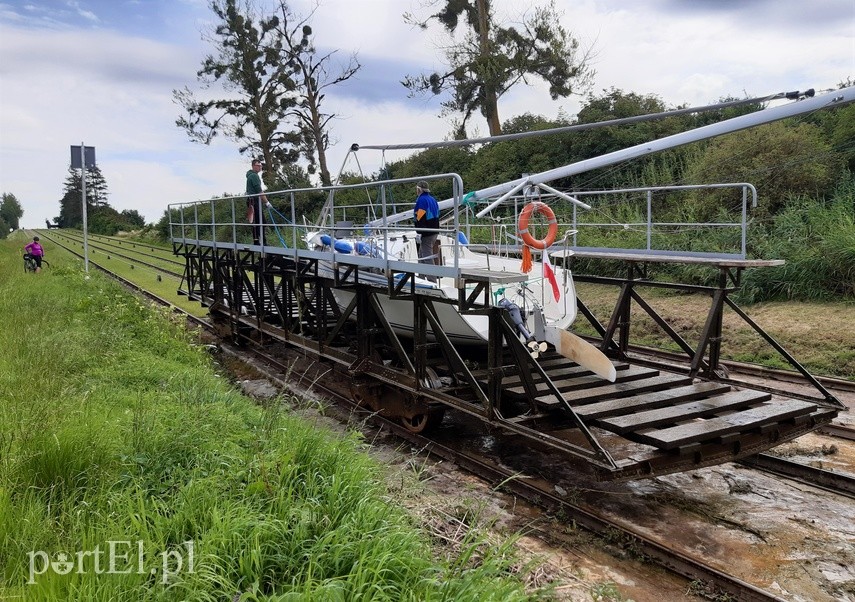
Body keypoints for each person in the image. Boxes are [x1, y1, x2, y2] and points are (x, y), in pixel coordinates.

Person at [413, 180, 440, 268]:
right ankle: (421, 277)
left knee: (427, 256)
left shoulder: (421, 200)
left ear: (419, 190)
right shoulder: (432, 199)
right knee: (421, 254)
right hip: (435, 230)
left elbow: (419, 216)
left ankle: (431, 280)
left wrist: (419, 228)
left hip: (427, 232)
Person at [245, 158, 270, 245]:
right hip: (254, 201)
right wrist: (267, 202)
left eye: (261, 166)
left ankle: (257, 241)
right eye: (258, 166)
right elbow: (259, 191)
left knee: (256, 221)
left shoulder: (251, 175)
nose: (260, 167)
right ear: (253, 166)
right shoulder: (254, 176)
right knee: (261, 221)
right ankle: (263, 242)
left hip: (252, 200)